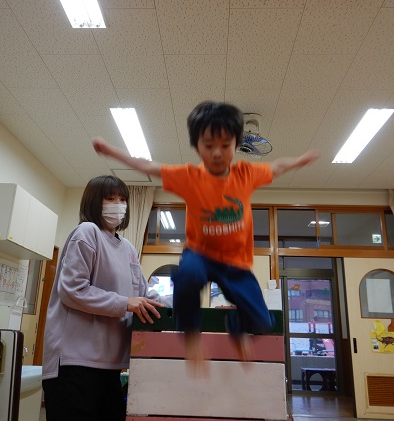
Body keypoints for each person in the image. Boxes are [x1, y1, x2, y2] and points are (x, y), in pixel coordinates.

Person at [92, 101, 319, 370]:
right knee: (188, 276)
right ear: (197, 146)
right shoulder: (190, 177)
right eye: (209, 145)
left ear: (237, 144)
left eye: (225, 145)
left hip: (235, 262)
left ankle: (237, 327)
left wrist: (299, 161)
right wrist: (112, 152)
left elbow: (278, 166)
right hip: (200, 254)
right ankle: (190, 333)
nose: (217, 152)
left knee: (262, 321)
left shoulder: (246, 174)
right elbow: (148, 167)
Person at [42, 175, 169, 421]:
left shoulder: (128, 248)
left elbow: (144, 295)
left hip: (109, 366)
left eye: (123, 200)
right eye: (110, 199)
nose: (118, 205)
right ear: (94, 201)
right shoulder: (87, 232)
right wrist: (124, 303)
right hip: (74, 363)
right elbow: (72, 290)